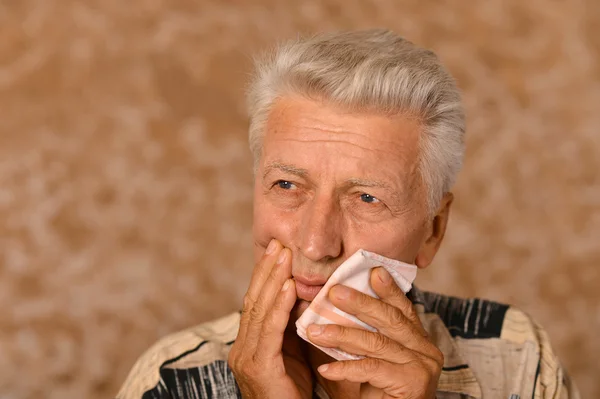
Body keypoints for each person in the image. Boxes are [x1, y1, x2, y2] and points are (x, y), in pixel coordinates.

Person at [117, 29, 580, 399]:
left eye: (366, 199)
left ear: (433, 230)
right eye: (287, 186)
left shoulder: (517, 356)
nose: (317, 244)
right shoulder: (170, 381)